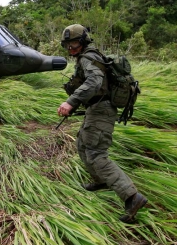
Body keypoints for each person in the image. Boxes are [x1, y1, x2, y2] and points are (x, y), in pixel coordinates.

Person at [57, 24, 147, 223]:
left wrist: (71, 102)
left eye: (73, 44)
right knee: (82, 144)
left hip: (102, 110)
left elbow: (94, 82)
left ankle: (132, 198)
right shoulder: (87, 56)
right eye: (67, 45)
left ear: (82, 42)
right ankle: (101, 180)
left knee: (97, 153)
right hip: (95, 108)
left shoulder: (89, 58)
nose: (70, 49)